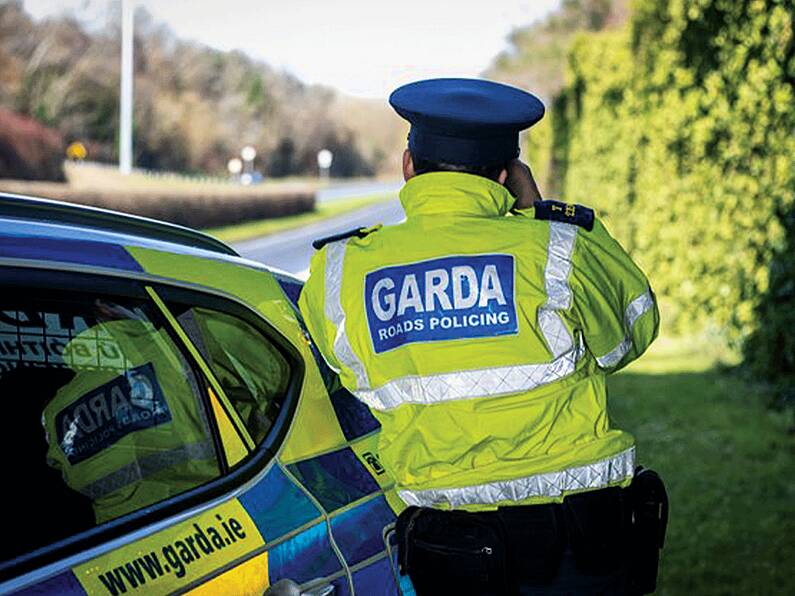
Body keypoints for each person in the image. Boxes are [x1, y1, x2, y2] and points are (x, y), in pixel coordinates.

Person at [298, 78, 667, 595]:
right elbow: (633, 331)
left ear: (409, 167)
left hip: (451, 557)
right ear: (507, 175)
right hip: (581, 550)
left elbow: (351, 372)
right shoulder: (558, 249)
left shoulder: (341, 270)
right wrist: (541, 213)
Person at [43, 301, 219, 524]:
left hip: (130, 543)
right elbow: (271, 368)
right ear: (108, 308)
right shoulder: (187, 343)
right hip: (222, 517)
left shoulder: (57, 414)